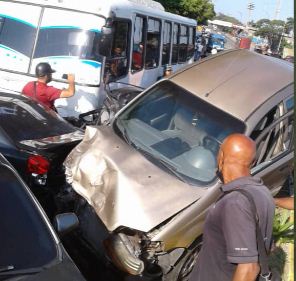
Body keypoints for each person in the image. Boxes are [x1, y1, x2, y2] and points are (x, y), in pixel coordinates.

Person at [189, 134, 275, 281]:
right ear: (252, 162)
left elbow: (249, 268)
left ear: (221, 157)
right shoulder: (262, 192)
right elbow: (267, 245)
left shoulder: (235, 203)